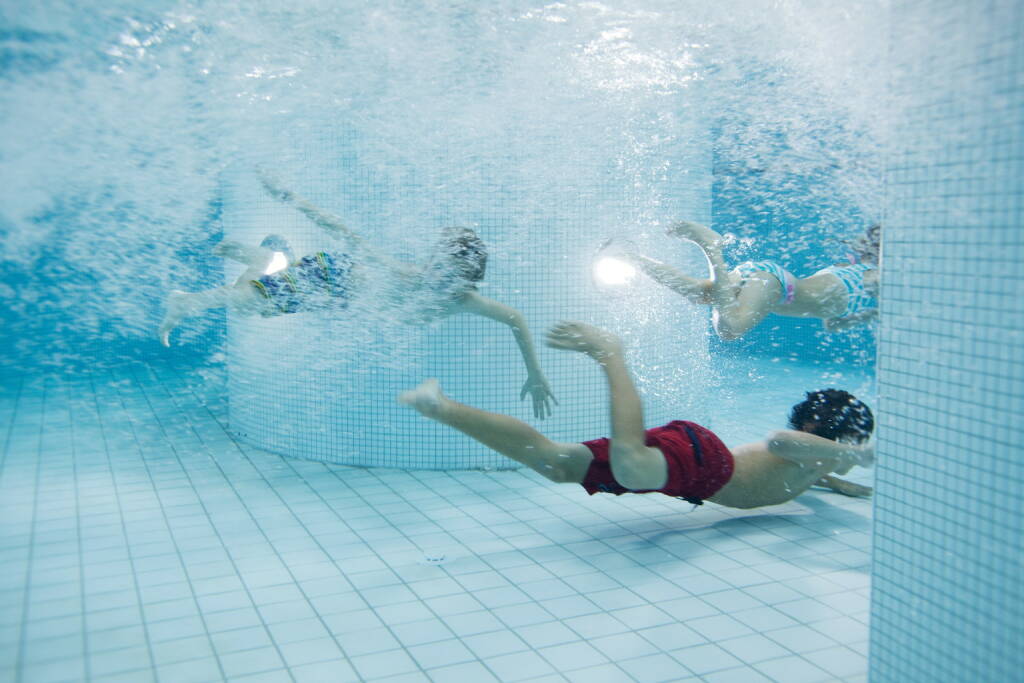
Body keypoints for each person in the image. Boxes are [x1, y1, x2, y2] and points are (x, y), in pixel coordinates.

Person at [159, 176, 558, 419]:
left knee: (251, 309)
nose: (439, 278)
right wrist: (290, 197)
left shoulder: (462, 300)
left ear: (467, 276)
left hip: (335, 298)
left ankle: (262, 259)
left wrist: (535, 374)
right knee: (248, 303)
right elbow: (348, 234)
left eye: (450, 274)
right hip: (333, 275)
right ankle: (187, 300)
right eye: (438, 267)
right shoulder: (412, 277)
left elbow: (515, 320)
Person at [399, 321, 874, 508]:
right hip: (707, 463)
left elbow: (817, 469)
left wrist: (846, 482)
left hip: (695, 473)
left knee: (556, 464)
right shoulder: (814, 452)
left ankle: (439, 406)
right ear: (834, 437)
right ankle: (611, 354)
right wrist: (863, 454)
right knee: (631, 462)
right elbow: (778, 442)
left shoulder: (820, 468)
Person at [613, 220, 880, 340]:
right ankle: (711, 247)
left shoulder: (856, 275)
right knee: (730, 328)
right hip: (774, 285)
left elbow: (832, 325)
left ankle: (627, 256)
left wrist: (872, 315)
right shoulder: (874, 277)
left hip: (769, 280)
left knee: (696, 292)